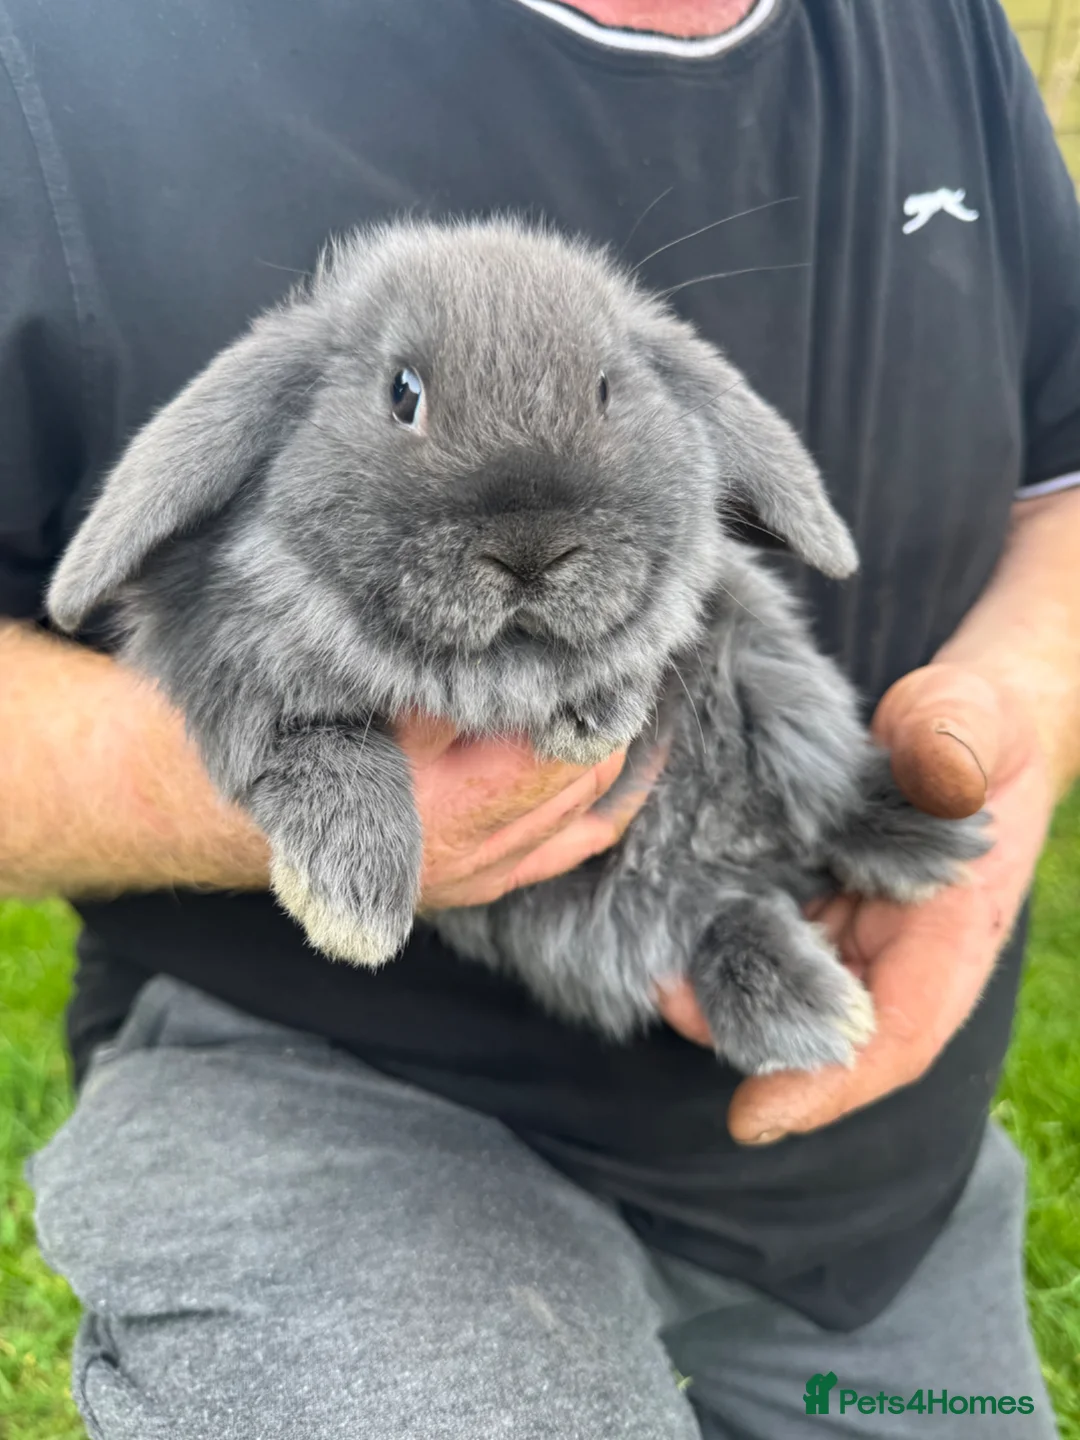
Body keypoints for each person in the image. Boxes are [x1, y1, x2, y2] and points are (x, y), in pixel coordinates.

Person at [1, 0, 1078, 1434]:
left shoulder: (943, 26)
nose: (525, 544)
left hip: (867, 1160)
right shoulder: (72, 56)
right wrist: (271, 784)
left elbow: (1062, 480)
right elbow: (156, 585)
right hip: (339, 1104)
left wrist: (1013, 721)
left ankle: (741, 933)